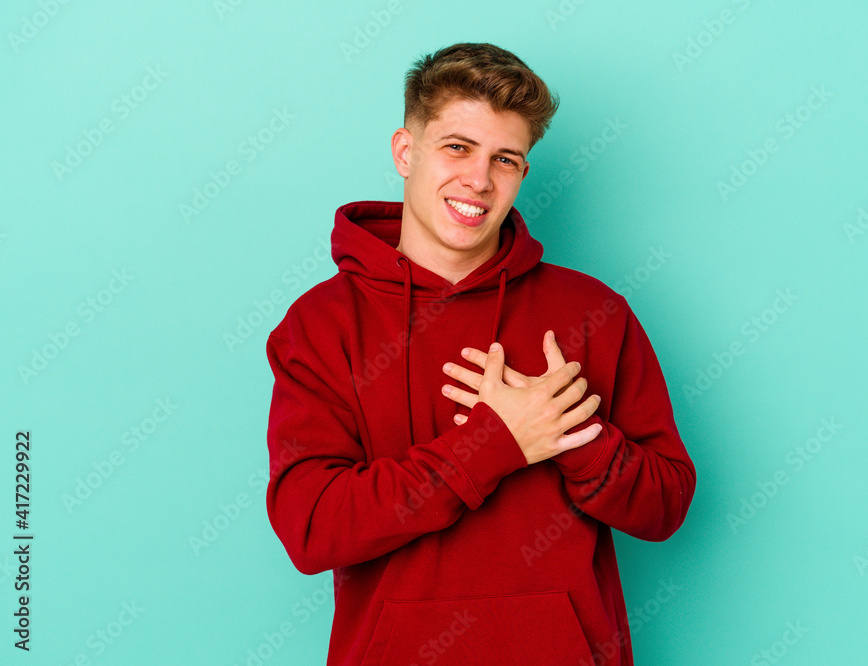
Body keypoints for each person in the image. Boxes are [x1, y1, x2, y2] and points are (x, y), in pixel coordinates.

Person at [265, 42, 696, 666]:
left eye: (506, 159)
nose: (479, 180)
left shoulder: (592, 312)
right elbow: (312, 528)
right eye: (457, 147)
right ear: (405, 151)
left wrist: (575, 434)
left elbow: (665, 505)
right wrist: (496, 443)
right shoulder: (321, 325)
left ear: (522, 173)